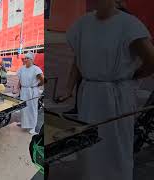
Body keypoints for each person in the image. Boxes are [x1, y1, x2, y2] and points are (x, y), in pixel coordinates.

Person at [58, 0, 154, 179]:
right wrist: (69, 88)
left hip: (116, 97)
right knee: (88, 147)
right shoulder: (83, 23)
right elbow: (78, 59)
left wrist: (131, 76)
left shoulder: (129, 25)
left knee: (115, 148)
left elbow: (151, 61)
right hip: (89, 97)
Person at [17, 52, 44, 135]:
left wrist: (36, 86)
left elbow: (42, 79)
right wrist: (18, 87)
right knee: (23, 107)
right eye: (24, 58)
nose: (25, 60)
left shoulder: (36, 69)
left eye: (27, 58)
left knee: (32, 109)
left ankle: (32, 127)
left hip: (32, 91)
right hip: (24, 90)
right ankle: (24, 123)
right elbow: (20, 79)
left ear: (31, 60)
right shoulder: (22, 68)